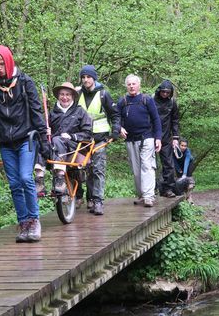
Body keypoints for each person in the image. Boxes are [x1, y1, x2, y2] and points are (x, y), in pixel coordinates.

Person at [0, 45, 50, 243]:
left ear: (8, 60)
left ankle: (34, 220)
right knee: (13, 184)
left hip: (26, 140)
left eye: (1, 63)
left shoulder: (24, 82)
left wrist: (44, 139)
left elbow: (37, 111)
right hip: (6, 142)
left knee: (25, 178)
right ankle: (23, 223)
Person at [77, 64, 121, 216]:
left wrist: (115, 130)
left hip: (100, 138)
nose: (85, 80)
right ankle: (88, 198)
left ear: (94, 78)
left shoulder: (104, 94)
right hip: (82, 139)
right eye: (83, 77)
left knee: (98, 170)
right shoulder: (77, 94)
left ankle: (98, 201)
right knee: (85, 169)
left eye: (88, 77)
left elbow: (115, 114)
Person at [34, 82, 92, 195]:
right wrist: (46, 133)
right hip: (54, 147)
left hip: (73, 147)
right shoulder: (51, 113)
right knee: (41, 143)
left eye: (68, 94)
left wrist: (72, 136)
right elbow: (43, 131)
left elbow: (88, 134)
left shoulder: (80, 112)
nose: (64, 97)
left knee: (57, 140)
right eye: (62, 94)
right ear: (58, 96)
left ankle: (60, 178)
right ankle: (39, 179)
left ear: (73, 96)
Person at [117, 74, 162, 207]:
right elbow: (115, 118)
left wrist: (158, 138)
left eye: (134, 84)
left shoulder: (147, 99)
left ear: (139, 85)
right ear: (126, 86)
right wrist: (119, 128)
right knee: (136, 170)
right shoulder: (122, 101)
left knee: (147, 166)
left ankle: (149, 196)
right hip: (130, 140)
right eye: (129, 84)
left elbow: (156, 119)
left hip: (147, 137)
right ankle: (142, 195)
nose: (131, 86)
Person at [153, 80, 180, 198]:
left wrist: (175, 137)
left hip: (166, 138)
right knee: (150, 165)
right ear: (159, 91)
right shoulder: (151, 101)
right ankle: (151, 190)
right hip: (151, 136)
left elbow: (175, 120)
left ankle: (168, 189)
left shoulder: (172, 103)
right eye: (163, 91)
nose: (165, 94)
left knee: (168, 164)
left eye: (167, 92)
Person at [173, 137, 196, 202]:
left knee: (188, 179)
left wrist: (184, 173)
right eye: (182, 145)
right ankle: (183, 196)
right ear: (179, 145)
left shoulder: (187, 151)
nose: (183, 147)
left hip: (189, 164)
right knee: (180, 180)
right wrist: (179, 170)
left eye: (185, 146)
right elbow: (174, 161)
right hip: (179, 165)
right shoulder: (175, 150)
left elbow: (187, 161)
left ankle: (189, 197)